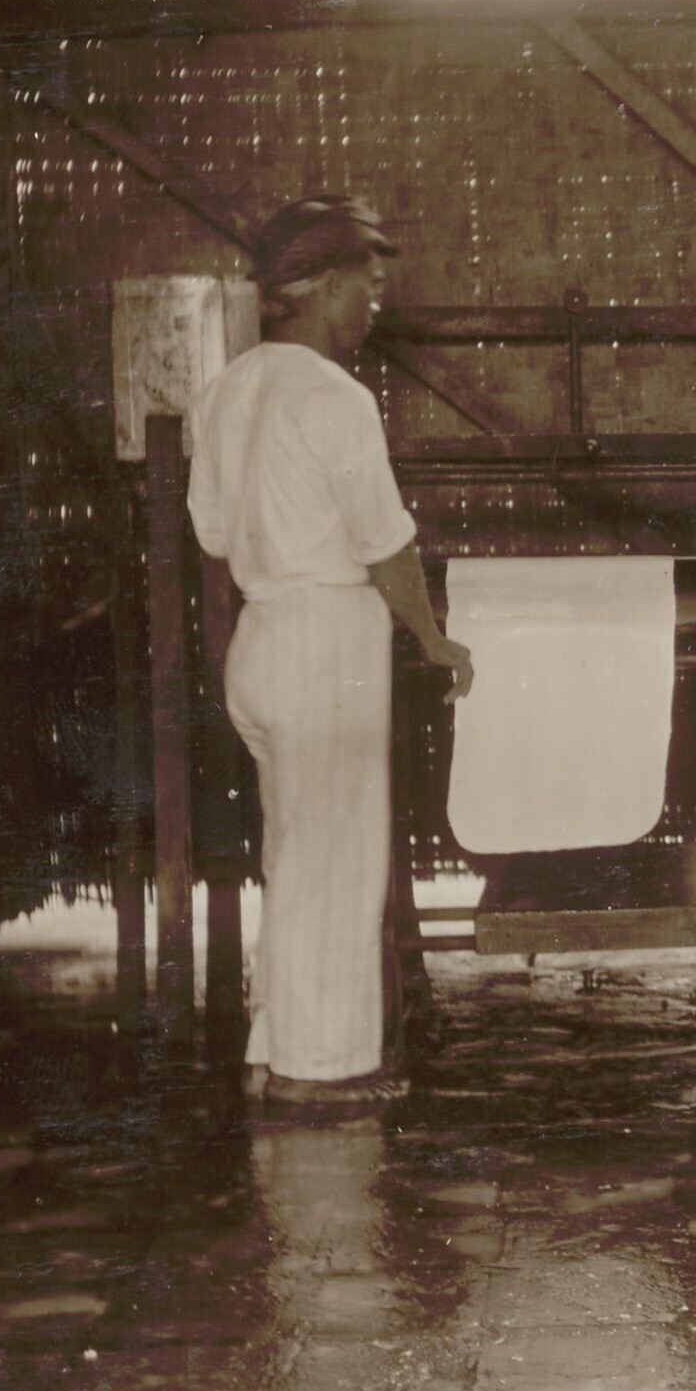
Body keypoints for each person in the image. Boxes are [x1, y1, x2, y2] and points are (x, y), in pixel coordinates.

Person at [189, 194, 474, 1104]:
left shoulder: (227, 389)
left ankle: (274, 1048)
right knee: (337, 865)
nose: (374, 305)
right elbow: (385, 544)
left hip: (261, 642)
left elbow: (210, 532)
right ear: (316, 287)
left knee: (293, 858)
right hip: (324, 651)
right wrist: (432, 638)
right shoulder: (335, 398)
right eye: (366, 285)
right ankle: (322, 1074)